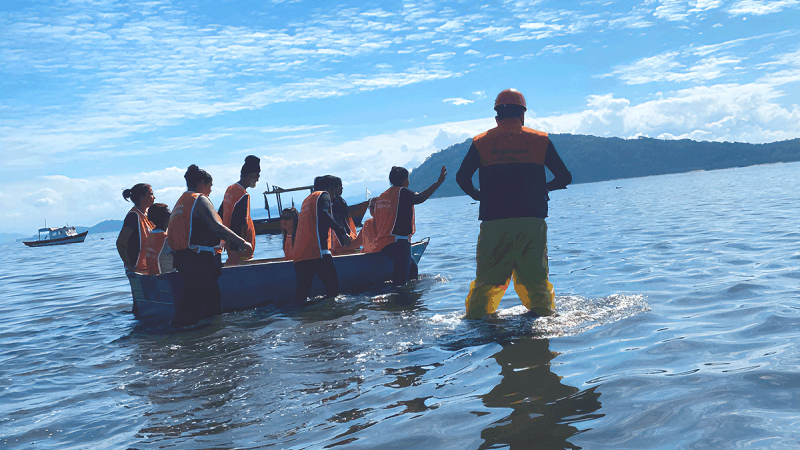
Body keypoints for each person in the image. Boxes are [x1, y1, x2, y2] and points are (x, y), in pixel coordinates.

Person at [456, 88, 572, 319]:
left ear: (497, 117)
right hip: (532, 219)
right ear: (523, 115)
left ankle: (476, 323)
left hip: (494, 221)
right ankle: (544, 317)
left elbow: (461, 178)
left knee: (487, 281)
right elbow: (565, 177)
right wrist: (544, 188)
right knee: (536, 279)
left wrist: (477, 195)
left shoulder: (481, 142)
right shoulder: (540, 140)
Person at [167, 164, 252, 326]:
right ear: (202, 183)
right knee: (210, 304)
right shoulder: (199, 199)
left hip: (184, 259)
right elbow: (216, 226)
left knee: (191, 302)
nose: (211, 191)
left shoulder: (181, 202)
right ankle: (211, 340)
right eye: (210, 186)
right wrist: (241, 242)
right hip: (201, 260)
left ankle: (182, 335)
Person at [372, 165, 447, 286]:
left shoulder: (382, 196)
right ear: (405, 180)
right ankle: (401, 302)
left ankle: (410, 301)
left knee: (413, 270)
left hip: (383, 244)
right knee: (401, 283)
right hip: (399, 243)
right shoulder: (402, 192)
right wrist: (438, 182)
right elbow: (420, 198)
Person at [291, 175, 352, 303]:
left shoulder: (307, 200)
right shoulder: (323, 195)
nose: (336, 195)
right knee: (333, 292)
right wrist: (341, 233)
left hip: (301, 254)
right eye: (336, 190)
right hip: (317, 252)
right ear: (331, 188)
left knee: (301, 296)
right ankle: (330, 320)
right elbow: (325, 214)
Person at [220, 155, 260, 266]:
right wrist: (240, 245)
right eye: (257, 175)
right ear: (251, 175)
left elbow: (220, 214)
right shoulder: (243, 194)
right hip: (240, 249)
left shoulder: (230, 190)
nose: (258, 179)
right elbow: (239, 221)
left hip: (231, 245)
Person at [116, 183, 155, 273]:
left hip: (148, 268)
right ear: (141, 196)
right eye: (151, 194)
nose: (154, 197)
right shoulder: (133, 216)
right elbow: (121, 242)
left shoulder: (148, 214)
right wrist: (130, 265)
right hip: (137, 270)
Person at [329, 176, 359, 255]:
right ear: (335, 188)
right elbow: (339, 221)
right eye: (340, 186)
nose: (342, 188)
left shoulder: (339, 201)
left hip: (344, 238)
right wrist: (344, 235)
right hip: (341, 242)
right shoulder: (335, 203)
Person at [144, 203, 173, 276]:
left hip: (154, 281)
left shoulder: (149, 237)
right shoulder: (166, 238)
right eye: (169, 215)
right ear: (162, 218)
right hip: (167, 280)